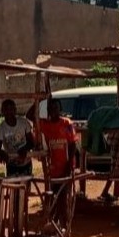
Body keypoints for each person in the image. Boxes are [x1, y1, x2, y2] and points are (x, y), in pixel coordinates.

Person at [38, 98, 79, 228]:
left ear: (60, 109)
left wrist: (69, 165)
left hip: (66, 166)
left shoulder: (66, 123)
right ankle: (55, 224)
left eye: (56, 108)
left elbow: (73, 145)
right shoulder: (46, 124)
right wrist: (40, 100)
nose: (54, 111)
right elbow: (30, 115)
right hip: (53, 167)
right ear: (48, 110)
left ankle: (64, 226)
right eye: (51, 108)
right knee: (53, 197)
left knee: (63, 197)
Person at [0, 99, 35, 177]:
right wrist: (3, 154)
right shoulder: (1, 129)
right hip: (12, 164)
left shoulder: (24, 123)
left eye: (11, 109)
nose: (9, 112)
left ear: (15, 110)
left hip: (26, 163)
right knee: (13, 187)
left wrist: (24, 149)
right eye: (6, 110)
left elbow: (31, 142)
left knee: (26, 186)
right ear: (2, 111)